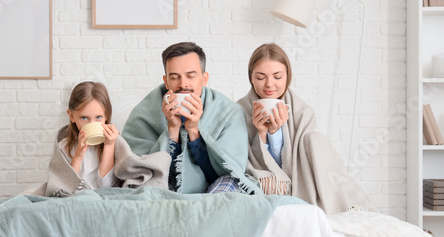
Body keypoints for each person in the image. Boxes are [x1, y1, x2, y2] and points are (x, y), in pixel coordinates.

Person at [237, 43, 373, 214]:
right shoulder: (238, 112)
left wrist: (275, 133)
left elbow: (296, 165)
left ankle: (337, 205)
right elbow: (243, 163)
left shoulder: (303, 113)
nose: (269, 84)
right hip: (260, 184)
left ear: (288, 77)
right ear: (251, 78)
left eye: (277, 77)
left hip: (297, 182)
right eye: (260, 77)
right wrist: (262, 134)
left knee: (315, 139)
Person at [122, 42, 261, 194]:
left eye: (190, 76)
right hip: (166, 183)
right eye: (175, 77)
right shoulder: (145, 112)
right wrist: (172, 130)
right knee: (150, 191)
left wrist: (194, 130)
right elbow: (137, 169)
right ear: (166, 80)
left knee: (229, 186)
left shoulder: (229, 112)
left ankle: (206, 214)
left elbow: (231, 170)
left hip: (216, 185)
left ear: (204, 78)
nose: (183, 84)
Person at [45, 81, 171, 197]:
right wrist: (78, 156)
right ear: (72, 116)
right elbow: (66, 187)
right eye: (84, 118)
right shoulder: (64, 146)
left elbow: (106, 185)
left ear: (106, 116)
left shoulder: (113, 142)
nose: (91, 123)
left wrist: (109, 146)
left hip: (103, 197)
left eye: (98, 117)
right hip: (75, 199)